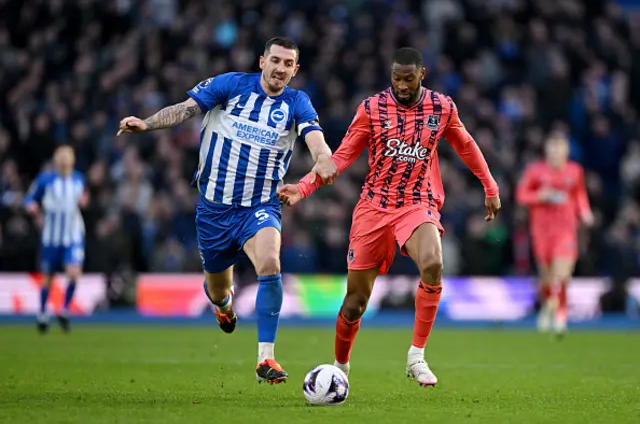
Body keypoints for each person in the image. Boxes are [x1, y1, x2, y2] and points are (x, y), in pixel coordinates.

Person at [117, 37, 338, 384]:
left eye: (288, 64)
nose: (280, 69)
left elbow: (315, 138)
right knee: (220, 290)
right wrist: (146, 124)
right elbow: (186, 109)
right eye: (275, 61)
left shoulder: (297, 103)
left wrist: (324, 159)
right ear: (261, 60)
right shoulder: (231, 85)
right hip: (214, 210)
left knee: (271, 263)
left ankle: (266, 358)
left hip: (260, 206)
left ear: (295, 70)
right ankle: (223, 307)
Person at [277, 47, 501, 387]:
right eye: (396, 79)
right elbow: (341, 156)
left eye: (409, 79)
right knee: (355, 303)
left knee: (433, 264)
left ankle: (416, 356)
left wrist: (490, 186)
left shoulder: (441, 107)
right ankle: (341, 365)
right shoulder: (371, 109)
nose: (402, 85)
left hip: (416, 203)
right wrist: (305, 187)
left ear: (421, 75)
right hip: (373, 208)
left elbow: (466, 145)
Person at [516, 133, 593, 336]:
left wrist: (585, 211)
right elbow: (521, 195)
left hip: (566, 229)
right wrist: (539, 196)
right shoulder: (535, 171)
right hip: (541, 231)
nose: (556, 153)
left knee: (563, 273)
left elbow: (579, 194)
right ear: (547, 151)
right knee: (547, 277)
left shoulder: (575, 171)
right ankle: (549, 305)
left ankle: (560, 316)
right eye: (552, 149)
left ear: (566, 151)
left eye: (560, 149)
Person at [24, 145, 89, 334]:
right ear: (56, 160)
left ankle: (64, 310)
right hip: (51, 237)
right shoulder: (45, 180)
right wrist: (31, 207)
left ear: (72, 160)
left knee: (74, 273)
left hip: (73, 235)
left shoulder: (78, 179)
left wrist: (85, 201)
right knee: (47, 278)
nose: (64, 161)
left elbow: (83, 198)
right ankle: (43, 314)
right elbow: (30, 198)